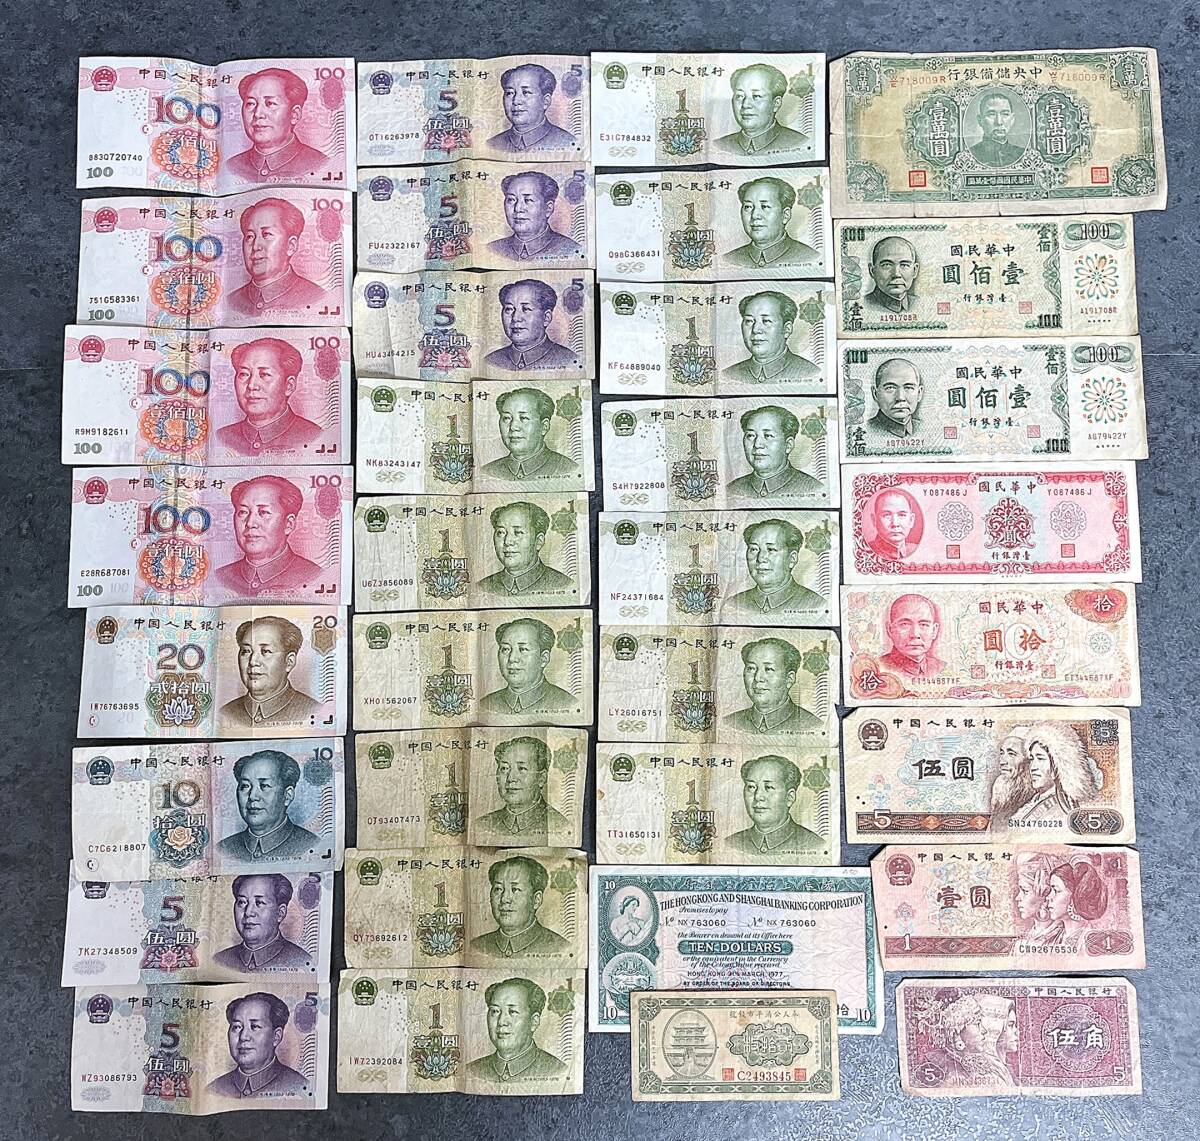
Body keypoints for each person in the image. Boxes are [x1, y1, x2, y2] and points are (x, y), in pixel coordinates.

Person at [214, 474, 324, 596]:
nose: (250, 523)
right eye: (243, 512)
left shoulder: (315, 576)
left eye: (264, 512)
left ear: (288, 524)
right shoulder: (219, 577)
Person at [216, 337, 323, 455]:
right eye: (244, 374)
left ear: (289, 386)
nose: (251, 385)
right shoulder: (221, 437)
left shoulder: (314, 436)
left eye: (265, 374)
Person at [217, 748, 321, 861]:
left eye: (265, 786)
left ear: (287, 795)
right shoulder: (223, 848)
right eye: (245, 786)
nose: (252, 796)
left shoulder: (312, 845)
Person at [219, 615, 320, 729]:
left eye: (266, 651)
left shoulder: (313, 711)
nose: (253, 661)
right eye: (246, 651)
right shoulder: (225, 713)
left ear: (289, 662)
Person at [227, 68, 328, 181]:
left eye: (270, 103)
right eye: (251, 103)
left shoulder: (321, 164)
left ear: (294, 115)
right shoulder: (231, 166)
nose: (258, 114)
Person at [228, 198, 325, 316]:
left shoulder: (317, 297)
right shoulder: (231, 301)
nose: (255, 246)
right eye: (249, 236)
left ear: (291, 246)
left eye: (267, 234)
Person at [206, 992, 309, 1098]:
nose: (243, 1037)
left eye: (255, 1027)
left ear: (276, 1036)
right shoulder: (214, 1089)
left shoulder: (300, 1088)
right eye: (237, 1027)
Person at [465, 977, 568, 1082]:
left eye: (512, 1012)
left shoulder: (558, 1070)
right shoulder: (471, 1071)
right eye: (495, 1011)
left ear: (534, 1021)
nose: (501, 1022)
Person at [469, 855, 570, 958]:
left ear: (536, 900)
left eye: (515, 889)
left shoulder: (560, 947)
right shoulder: (476, 946)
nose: (504, 899)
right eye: (498, 889)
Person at [726, 754, 824, 855]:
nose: (758, 796)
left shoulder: (814, 844)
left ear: (790, 797)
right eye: (751, 787)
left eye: (769, 787)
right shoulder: (731, 843)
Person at [1008, 723, 1103, 826]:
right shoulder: (1036, 799)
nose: (1033, 767)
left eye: (1040, 758)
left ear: (1057, 765)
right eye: (1032, 759)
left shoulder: (1062, 809)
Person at [213, 873, 311, 972]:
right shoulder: (219, 960)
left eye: (259, 902)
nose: (248, 912)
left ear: (280, 913)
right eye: (242, 902)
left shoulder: (302, 961)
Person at [475, 735, 570, 838]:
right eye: (504, 768)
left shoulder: (560, 825)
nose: (510, 778)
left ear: (541, 778)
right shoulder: (481, 825)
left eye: (521, 768)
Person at [726, 518, 824, 617]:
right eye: (754, 549)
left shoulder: (817, 604)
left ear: (792, 559)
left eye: (771, 549)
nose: (760, 558)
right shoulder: (733, 604)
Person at [479, 617, 576, 715]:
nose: (512, 658)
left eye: (523, 649)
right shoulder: (486, 704)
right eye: (505, 649)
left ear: (544, 658)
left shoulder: (568, 703)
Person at [723, 636, 821, 734]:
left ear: (789, 679)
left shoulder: (813, 725)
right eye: (751, 668)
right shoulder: (729, 722)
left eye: (768, 669)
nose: (757, 678)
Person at [480, 387, 577, 480]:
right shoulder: (488, 471)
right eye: (506, 418)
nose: (513, 427)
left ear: (544, 426)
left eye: (524, 418)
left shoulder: (569, 469)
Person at [478, 501, 572, 597]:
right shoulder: (483, 587)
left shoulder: (564, 585)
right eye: (501, 532)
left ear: (539, 541)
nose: (507, 541)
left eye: (518, 532)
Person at [726, 406, 821, 500]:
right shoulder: (732, 489)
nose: (757, 444)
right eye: (750, 435)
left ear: (788, 445)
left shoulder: (814, 488)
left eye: (768, 435)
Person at [722, 291, 818, 383]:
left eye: (766, 321)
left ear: (786, 329)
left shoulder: (811, 373)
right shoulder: (729, 374)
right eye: (749, 321)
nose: (755, 329)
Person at [714, 63, 808, 157]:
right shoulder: (719, 145)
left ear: (776, 103)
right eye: (739, 96)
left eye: (756, 96)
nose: (745, 104)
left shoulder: (800, 143)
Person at [724, 177, 817, 270]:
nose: (755, 215)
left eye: (765, 206)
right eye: (748, 207)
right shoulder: (729, 259)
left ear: (785, 215)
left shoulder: (811, 257)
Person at [487, 171, 582, 261]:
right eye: (511, 199)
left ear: (548, 208)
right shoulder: (492, 249)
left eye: (528, 200)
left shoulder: (572, 250)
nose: (518, 208)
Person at [484, 279, 577, 371]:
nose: (515, 318)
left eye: (526, 309)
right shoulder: (491, 361)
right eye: (509, 309)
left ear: (546, 318)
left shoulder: (569, 361)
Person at [487, 63, 577, 153]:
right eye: (510, 93)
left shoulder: (568, 143)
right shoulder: (492, 144)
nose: (516, 101)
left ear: (546, 101)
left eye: (526, 92)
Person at [935, 994, 1016, 1088]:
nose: (984, 1031)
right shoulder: (945, 1067)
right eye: (977, 1024)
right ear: (958, 1031)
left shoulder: (994, 1068)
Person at [1044, 856, 1109, 943]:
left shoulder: (1091, 941)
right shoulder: (1052, 938)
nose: (1048, 897)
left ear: (1075, 896)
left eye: (1056, 890)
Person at [879, 593, 945, 677]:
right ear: (889, 630)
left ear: (934, 631)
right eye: (905, 624)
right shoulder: (877, 668)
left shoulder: (943, 668)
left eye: (923, 625)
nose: (914, 634)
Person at [1014, 851, 1064, 947]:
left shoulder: (1062, 938)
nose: (1017, 898)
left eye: (1025, 891)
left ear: (1045, 894)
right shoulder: (1027, 937)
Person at [866, 358, 924, 439]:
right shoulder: (866, 429)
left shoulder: (925, 428)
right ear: (875, 394)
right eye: (890, 388)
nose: (900, 397)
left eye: (909, 388)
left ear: (919, 393)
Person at [863, 236, 919, 313]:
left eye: (904, 265)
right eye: (887, 265)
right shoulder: (863, 304)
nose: (896, 274)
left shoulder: (921, 304)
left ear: (915, 271)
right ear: (872, 271)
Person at [989, 726, 1034, 822]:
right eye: (1002, 753)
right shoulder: (1000, 786)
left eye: (1011, 754)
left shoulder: (1038, 795)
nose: (1002, 762)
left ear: (1029, 760)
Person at [969, 91, 1025, 166]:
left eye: (1005, 114)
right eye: (991, 114)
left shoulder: (1022, 154)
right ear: (980, 120)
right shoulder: (970, 155)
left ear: (1012, 119)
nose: (999, 122)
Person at [866, 489, 922, 561]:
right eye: (886, 515)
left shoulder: (920, 550)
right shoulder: (866, 551)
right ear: (874, 520)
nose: (895, 524)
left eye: (902, 515)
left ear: (911, 520)